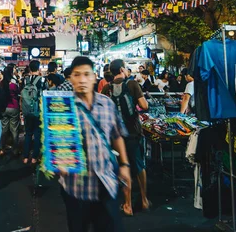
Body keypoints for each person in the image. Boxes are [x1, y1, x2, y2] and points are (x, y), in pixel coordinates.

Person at [57, 56, 131, 232]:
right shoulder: (62, 107)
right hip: (75, 187)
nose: (82, 79)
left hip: (106, 183)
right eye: (77, 74)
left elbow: (117, 134)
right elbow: (57, 141)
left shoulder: (106, 103)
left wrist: (125, 165)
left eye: (86, 74)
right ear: (71, 78)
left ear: (94, 76)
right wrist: (59, 161)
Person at [101, 59, 150, 216]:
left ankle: (127, 204)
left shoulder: (107, 89)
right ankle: (143, 199)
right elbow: (144, 106)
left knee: (124, 166)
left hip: (115, 135)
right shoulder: (132, 84)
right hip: (133, 132)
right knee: (139, 165)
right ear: (122, 69)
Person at [21, 60, 46, 165]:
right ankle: (35, 157)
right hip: (38, 110)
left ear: (29, 69)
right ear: (39, 68)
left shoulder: (24, 80)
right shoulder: (43, 80)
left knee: (28, 133)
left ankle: (26, 157)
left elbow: (21, 95)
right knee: (37, 134)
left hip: (26, 111)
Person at [0, 68, 21, 155]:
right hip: (14, 107)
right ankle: (15, 149)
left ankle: (2, 148)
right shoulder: (14, 84)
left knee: (4, 129)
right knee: (14, 129)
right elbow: (18, 94)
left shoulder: (1, 83)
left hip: (4, 108)